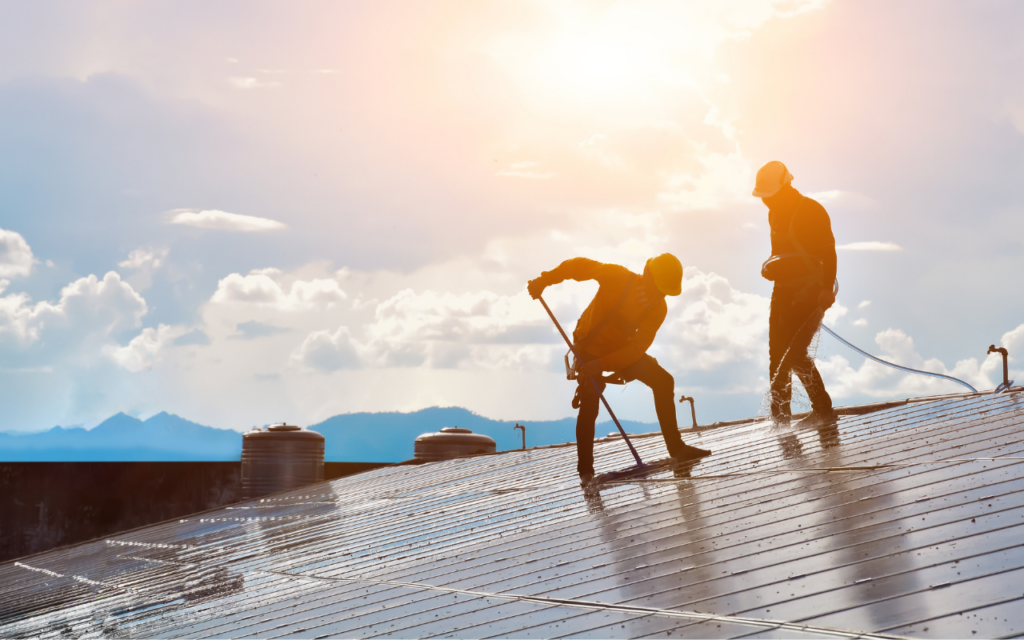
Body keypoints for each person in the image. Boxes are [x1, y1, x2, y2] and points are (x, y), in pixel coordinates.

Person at [527, 254, 712, 485]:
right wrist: (544, 280)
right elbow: (577, 266)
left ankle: (677, 448)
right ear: (647, 277)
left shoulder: (658, 309)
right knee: (590, 397)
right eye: (658, 289)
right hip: (588, 347)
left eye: (664, 292)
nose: (660, 295)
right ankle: (585, 472)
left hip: (619, 350)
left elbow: (636, 348)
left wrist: (603, 365)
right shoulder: (617, 277)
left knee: (663, 381)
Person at [753, 161, 839, 428]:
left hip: (811, 291)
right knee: (777, 355)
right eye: (764, 198)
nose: (766, 202)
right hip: (783, 290)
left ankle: (823, 409)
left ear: (785, 187)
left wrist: (826, 291)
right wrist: (771, 267)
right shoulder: (774, 213)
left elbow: (828, 252)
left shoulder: (811, 211)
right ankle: (780, 420)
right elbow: (781, 252)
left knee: (795, 352)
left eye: (770, 196)